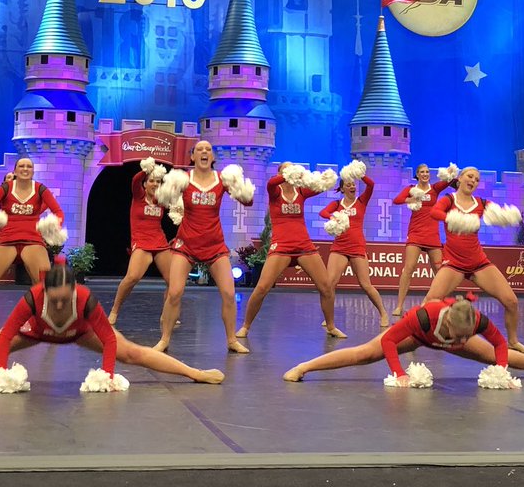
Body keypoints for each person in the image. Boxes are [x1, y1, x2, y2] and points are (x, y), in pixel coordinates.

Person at [0, 257, 224, 385]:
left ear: (74, 289)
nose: (60, 301)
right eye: (54, 297)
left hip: (79, 333)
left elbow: (108, 340)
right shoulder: (33, 298)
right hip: (38, 332)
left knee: (131, 352)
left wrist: (106, 375)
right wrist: (0, 373)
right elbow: (4, 341)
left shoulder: (85, 300)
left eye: (65, 297)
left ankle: (193, 374)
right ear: (44, 290)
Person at [282, 296, 524, 383]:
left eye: (466, 336)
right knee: (365, 353)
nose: (461, 340)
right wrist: (399, 374)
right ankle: (305, 367)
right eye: (458, 336)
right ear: (446, 322)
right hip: (416, 337)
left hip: (441, 334)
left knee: (491, 355)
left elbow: (502, 344)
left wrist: (501, 368)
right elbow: (388, 344)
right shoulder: (422, 317)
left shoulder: (474, 320)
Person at [154, 141, 254, 354]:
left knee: (228, 293)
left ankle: (231, 340)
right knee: (174, 292)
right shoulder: (184, 179)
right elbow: (161, 201)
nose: (204, 152)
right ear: (192, 157)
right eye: (200, 149)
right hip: (186, 244)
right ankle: (164, 339)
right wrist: (166, 190)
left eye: (208, 149)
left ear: (213, 157)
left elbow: (248, 202)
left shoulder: (221, 180)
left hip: (214, 245)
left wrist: (242, 189)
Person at [424, 167, 524, 353]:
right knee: (431, 301)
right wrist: (455, 218)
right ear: (460, 178)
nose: (473, 180)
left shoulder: (481, 203)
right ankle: (414, 334)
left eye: (476, 179)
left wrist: (508, 216)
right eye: (469, 176)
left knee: (511, 301)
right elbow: (434, 213)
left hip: (478, 263)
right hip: (454, 263)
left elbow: (499, 213)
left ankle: (513, 341)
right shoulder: (449, 200)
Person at [236, 162, 343, 340]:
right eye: (286, 168)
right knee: (262, 288)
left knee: (326, 287)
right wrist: (288, 174)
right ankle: (245, 327)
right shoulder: (275, 191)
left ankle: (331, 327)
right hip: (281, 247)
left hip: (303, 246)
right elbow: (270, 184)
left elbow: (320, 187)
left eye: (292, 167)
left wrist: (327, 178)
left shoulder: (300, 191)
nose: (290, 170)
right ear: (280, 173)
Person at [0, 157, 63, 335]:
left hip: (32, 240)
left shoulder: (41, 189)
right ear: (16, 170)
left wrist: (54, 224)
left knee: (45, 284)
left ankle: (49, 323)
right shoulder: (6, 188)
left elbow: (58, 212)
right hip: (6, 240)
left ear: (33, 171)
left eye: (29, 166)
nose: (25, 169)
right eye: (21, 166)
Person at [319, 164, 389, 327]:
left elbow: (371, 185)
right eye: (348, 184)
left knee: (365, 284)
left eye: (353, 184)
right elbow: (323, 213)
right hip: (339, 248)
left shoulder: (361, 201)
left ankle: (383, 314)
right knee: (330, 284)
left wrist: (359, 175)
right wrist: (333, 216)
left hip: (357, 247)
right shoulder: (337, 204)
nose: (352, 186)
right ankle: (329, 318)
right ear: (342, 189)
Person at [107, 159, 175, 326]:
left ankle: (167, 314)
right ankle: (115, 310)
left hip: (159, 241)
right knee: (132, 277)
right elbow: (135, 179)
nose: (154, 184)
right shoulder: (139, 196)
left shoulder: (161, 200)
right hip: (142, 242)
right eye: (151, 181)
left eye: (158, 181)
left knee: (173, 281)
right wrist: (148, 170)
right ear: (145, 184)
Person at [391, 163, 453, 317]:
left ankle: (438, 303)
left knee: (440, 271)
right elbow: (397, 200)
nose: (425, 174)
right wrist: (409, 200)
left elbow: (449, 181)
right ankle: (399, 306)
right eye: (422, 172)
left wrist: (451, 172)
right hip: (416, 234)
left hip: (432, 235)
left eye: (427, 172)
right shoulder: (411, 189)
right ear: (417, 174)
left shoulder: (435, 189)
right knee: (409, 268)